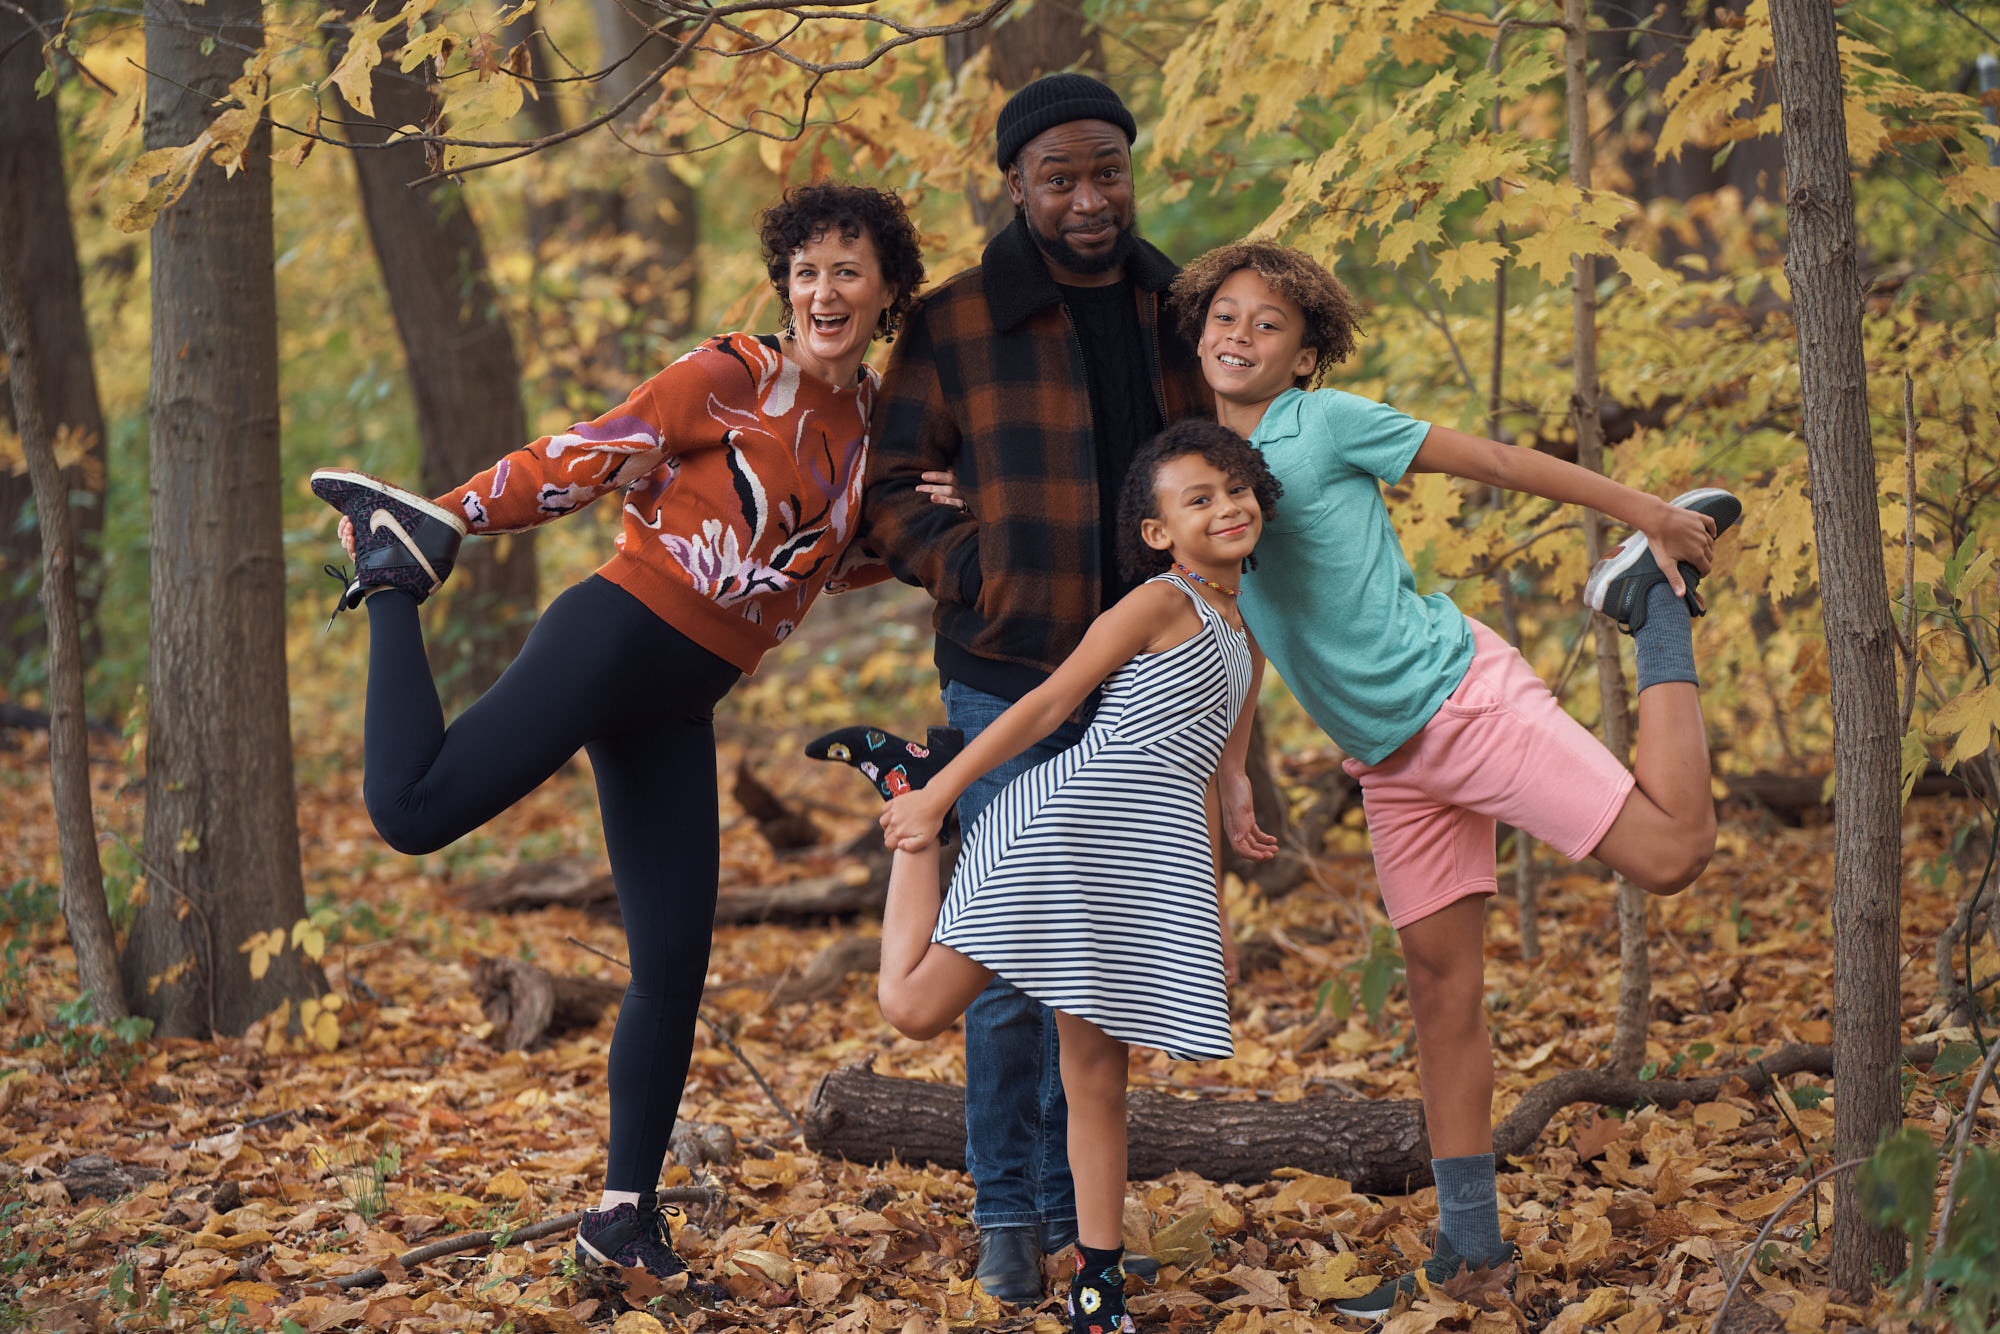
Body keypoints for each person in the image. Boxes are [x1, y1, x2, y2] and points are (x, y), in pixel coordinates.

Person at [307, 182, 930, 1282]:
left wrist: (933, 531)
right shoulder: (733, 373)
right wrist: (454, 514)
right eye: (806, 272)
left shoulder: (873, 422)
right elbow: (592, 452)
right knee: (410, 813)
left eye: (847, 271)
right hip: (613, 632)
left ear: (887, 291)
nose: (823, 291)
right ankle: (394, 566)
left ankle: (620, 1213)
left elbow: (809, 567)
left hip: (681, 700)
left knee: (674, 962)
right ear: (785, 285)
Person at [1169, 240, 1739, 1317]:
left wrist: (1644, 514)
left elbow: (1496, 462)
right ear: (1196, 325)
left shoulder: (1324, 422)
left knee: (1672, 853)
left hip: (1457, 699)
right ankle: (1470, 1253)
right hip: (1389, 760)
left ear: (1302, 357)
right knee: (1439, 994)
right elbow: (1236, 616)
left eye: (1266, 324)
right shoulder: (1199, 462)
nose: (1237, 335)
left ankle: (1653, 614)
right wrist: (1232, 764)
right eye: (1224, 316)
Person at [860, 70, 1213, 1302]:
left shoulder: (1182, 310)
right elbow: (891, 487)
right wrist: (981, 564)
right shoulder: (957, 323)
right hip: (1007, 676)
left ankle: (1083, 1212)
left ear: (1129, 169)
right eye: (1056, 175)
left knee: (1101, 960)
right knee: (1012, 958)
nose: (1085, 196)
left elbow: (1235, 469)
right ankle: (1006, 1208)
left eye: (1104, 170)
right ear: (1014, 184)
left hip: (1147, 692)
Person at [813, 421, 1275, 1334]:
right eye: (1199, 499)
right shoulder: (1157, 604)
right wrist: (942, 796)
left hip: (1142, 866)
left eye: (1235, 490)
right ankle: (909, 797)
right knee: (911, 1011)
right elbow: (1050, 703)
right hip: (1061, 835)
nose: (1227, 508)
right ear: (1158, 533)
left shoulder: (1247, 637)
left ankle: (1096, 1292)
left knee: (1101, 1077)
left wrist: (1214, 908)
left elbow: (1222, 767)